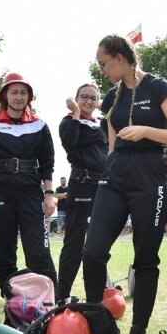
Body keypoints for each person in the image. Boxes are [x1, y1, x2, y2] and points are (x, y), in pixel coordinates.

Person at [82, 34, 167, 334]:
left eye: (103, 63)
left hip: (150, 175)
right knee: (92, 252)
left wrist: (146, 131)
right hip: (115, 175)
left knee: (145, 260)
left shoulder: (157, 87)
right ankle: (99, 328)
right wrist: (112, 163)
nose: (101, 70)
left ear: (119, 57)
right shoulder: (113, 97)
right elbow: (113, 143)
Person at [0, 72, 57, 298]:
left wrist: (49, 194)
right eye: (14, 92)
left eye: (23, 93)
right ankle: (11, 300)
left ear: (29, 96)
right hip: (0, 192)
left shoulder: (40, 125)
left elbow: (48, 162)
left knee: (38, 250)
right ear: (4, 95)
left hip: (31, 192)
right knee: (3, 252)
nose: (19, 97)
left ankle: (50, 300)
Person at [56, 83, 107, 303]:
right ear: (76, 99)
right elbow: (70, 141)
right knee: (74, 243)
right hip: (81, 184)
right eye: (84, 97)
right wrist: (76, 113)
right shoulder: (69, 121)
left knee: (100, 243)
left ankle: (98, 293)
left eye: (93, 98)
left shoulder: (103, 124)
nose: (88, 101)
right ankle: (62, 295)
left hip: (104, 187)